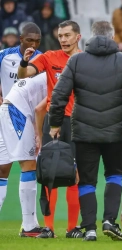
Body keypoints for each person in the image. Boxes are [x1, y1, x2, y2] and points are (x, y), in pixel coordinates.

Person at [48, 20, 122, 241]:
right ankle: (110, 220)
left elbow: (59, 94)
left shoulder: (76, 61)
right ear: (112, 36)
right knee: (115, 176)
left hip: (84, 132)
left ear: (91, 36)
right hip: (115, 132)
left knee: (87, 181)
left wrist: (54, 124)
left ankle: (89, 229)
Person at [17, 20, 82, 239]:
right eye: (60, 35)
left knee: (74, 176)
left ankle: (72, 228)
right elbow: (24, 75)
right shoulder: (49, 57)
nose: (63, 39)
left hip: (77, 123)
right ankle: (48, 227)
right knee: (48, 175)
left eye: (67, 35)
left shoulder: (85, 60)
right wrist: (24, 62)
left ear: (77, 37)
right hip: (53, 122)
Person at [0, 22, 42, 237]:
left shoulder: (41, 59)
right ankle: (29, 227)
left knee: (29, 164)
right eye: (29, 40)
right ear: (20, 38)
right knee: (3, 169)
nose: (33, 44)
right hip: (7, 114)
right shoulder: (4, 56)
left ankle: (29, 226)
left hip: (28, 118)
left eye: (37, 41)